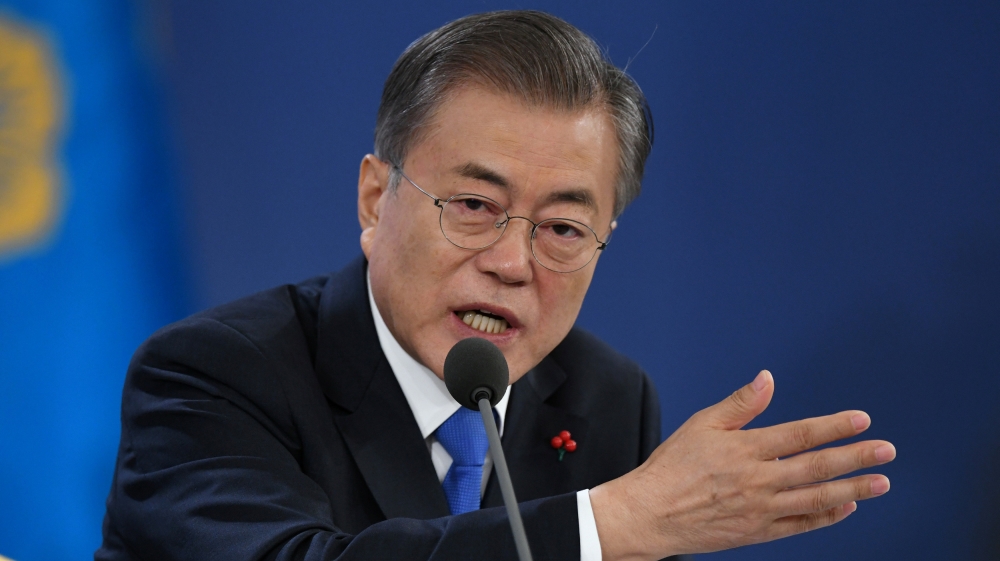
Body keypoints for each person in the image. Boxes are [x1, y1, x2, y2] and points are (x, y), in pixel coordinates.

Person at [96, 10, 895, 561]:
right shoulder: (214, 375)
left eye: (563, 229)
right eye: (475, 206)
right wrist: (609, 523)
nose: (513, 262)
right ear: (375, 199)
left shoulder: (604, 399)